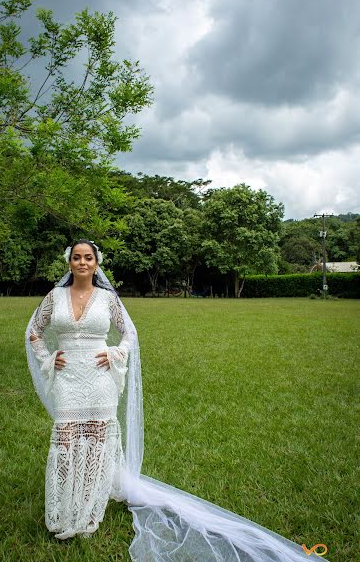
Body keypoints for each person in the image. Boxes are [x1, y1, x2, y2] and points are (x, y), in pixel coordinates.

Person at [26, 239, 329, 560]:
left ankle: (88, 507)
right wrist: (49, 356)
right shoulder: (54, 297)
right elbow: (34, 330)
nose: (82, 263)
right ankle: (62, 507)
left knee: (97, 440)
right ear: (69, 262)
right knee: (67, 438)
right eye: (77, 257)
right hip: (68, 380)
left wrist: (116, 352)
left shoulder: (107, 299)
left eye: (88, 258)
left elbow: (129, 333)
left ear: (97, 264)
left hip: (100, 380)